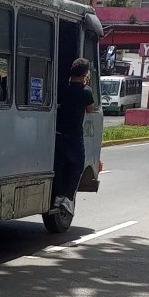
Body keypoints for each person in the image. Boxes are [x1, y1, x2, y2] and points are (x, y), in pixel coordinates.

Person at [52, 57, 95, 216]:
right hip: (75, 136)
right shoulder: (86, 91)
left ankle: (59, 196)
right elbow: (91, 110)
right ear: (85, 73)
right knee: (77, 166)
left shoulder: (62, 87)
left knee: (59, 166)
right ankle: (68, 199)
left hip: (59, 134)